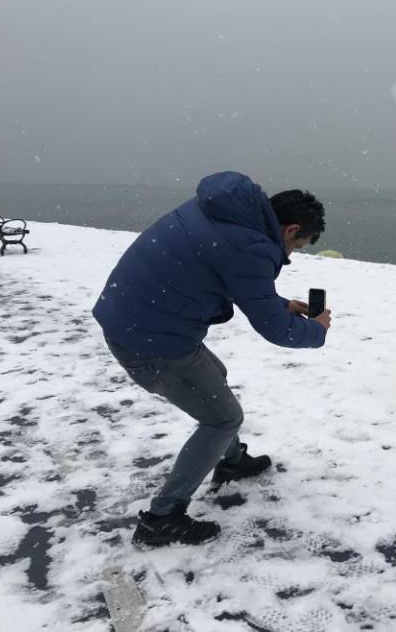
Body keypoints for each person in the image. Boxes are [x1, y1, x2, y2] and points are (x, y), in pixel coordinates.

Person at [93, 171, 331, 548]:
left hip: (137, 319)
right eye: (297, 246)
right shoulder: (249, 247)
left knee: (215, 376)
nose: (290, 254)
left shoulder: (225, 214)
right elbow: (275, 329)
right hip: (149, 340)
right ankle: (162, 518)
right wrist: (317, 330)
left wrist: (280, 304)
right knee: (223, 417)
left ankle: (231, 460)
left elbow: (226, 273)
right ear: (291, 229)